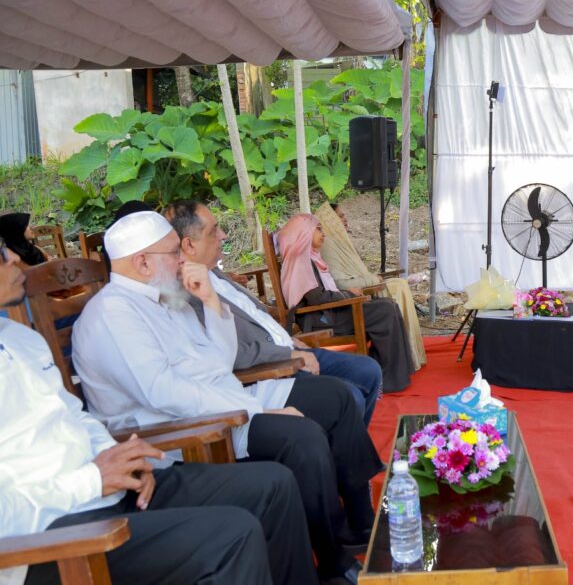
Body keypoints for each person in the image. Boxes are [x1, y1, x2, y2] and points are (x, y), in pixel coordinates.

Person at [71, 212, 382, 581]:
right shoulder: (113, 313)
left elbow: (219, 360)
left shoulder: (166, 298)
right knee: (303, 437)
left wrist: (211, 302)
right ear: (142, 262)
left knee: (334, 397)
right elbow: (165, 393)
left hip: (224, 401)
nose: (183, 260)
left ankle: (357, 525)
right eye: (174, 253)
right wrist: (256, 411)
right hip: (184, 430)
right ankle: (332, 559)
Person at [0, 236, 319, 585]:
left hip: (108, 490)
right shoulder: (113, 312)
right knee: (232, 536)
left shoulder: (21, 339)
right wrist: (91, 480)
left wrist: (121, 459)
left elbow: (75, 418)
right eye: (0, 253)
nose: (13, 256)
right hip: (48, 531)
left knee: (273, 486)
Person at [164, 200, 382, 425]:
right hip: (270, 367)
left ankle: (350, 435)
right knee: (348, 396)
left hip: (287, 347)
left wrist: (286, 338)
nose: (224, 235)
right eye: (214, 230)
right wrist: (284, 355)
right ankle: (341, 439)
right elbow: (228, 352)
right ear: (189, 245)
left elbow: (256, 316)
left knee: (369, 370)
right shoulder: (189, 295)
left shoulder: (215, 274)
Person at [278, 213, 415, 393]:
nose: (323, 234)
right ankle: (387, 378)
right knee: (385, 310)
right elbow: (317, 298)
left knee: (388, 305)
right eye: (318, 229)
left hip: (329, 313)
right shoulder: (300, 260)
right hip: (321, 319)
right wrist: (347, 295)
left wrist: (347, 295)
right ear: (303, 232)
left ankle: (392, 372)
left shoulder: (310, 258)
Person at [314, 201, 427, 369]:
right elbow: (338, 284)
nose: (345, 219)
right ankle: (395, 364)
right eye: (340, 216)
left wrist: (372, 280)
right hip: (342, 307)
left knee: (398, 287)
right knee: (391, 298)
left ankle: (403, 361)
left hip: (350, 297)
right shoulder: (327, 245)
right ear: (330, 221)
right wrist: (373, 281)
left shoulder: (338, 241)